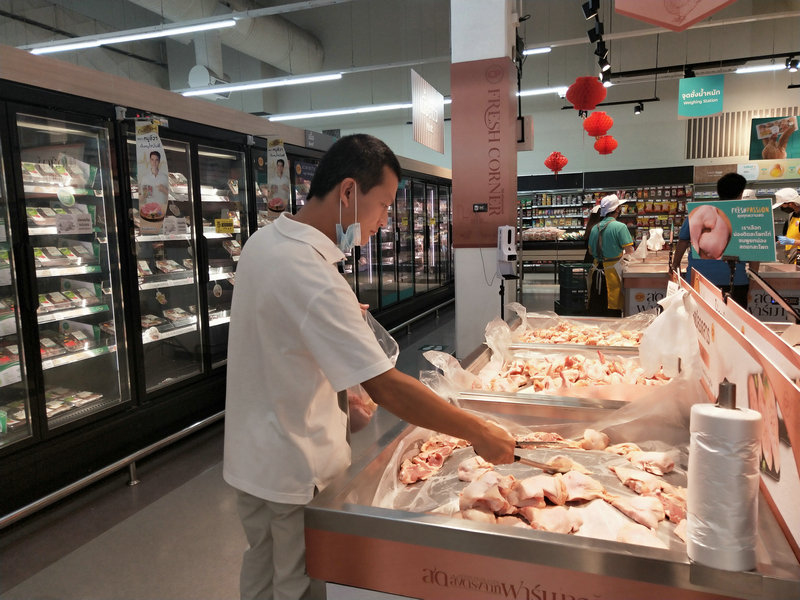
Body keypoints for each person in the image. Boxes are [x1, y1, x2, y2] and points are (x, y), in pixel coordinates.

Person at [223, 134, 514, 600]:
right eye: (383, 205)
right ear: (347, 192)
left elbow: (281, 343)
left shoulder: (264, 242)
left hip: (249, 460)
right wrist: (478, 430)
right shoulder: (314, 274)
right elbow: (388, 388)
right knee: (300, 585)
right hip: (298, 469)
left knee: (260, 572)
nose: (384, 221)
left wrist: (339, 400)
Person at [670, 172, 759, 307]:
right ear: (741, 193)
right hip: (735, 282)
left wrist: (675, 265)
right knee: (732, 319)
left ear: (718, 192)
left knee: (697, 317)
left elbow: (683, 241)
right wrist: (751, 285)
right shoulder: (747, 217)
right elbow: (755, 255)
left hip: (698, 279)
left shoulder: (698, 212)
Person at [587, 194, 634, 317]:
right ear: (616, 209)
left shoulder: (594, 228)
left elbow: (591, 251)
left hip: (596, 271)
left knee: (597, 308)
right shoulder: (620, 227)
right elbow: (629, 251)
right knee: (612, 309)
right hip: (613, 272)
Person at [774, 187, 800, 264]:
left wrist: (791, 241)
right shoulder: (792, 215)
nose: (780, 207)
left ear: (791, 203)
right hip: (792, 255)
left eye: (782, 205)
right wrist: (782, 240)